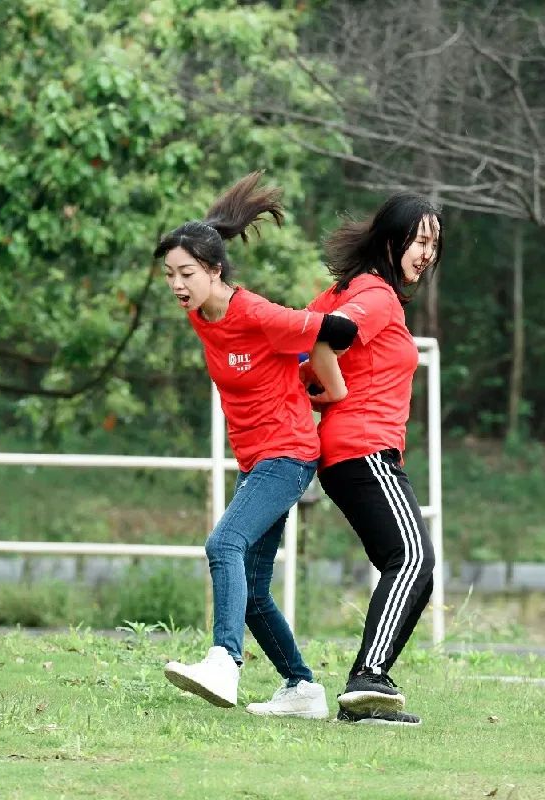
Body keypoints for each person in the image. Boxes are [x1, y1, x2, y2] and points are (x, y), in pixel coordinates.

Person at [155, 172, 358, 718]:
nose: (177, 284)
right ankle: (302, 689)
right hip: (257, 460)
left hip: (288, 454)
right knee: (255, 593)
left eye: (187, 273)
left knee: (224, 546)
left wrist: (329, 390)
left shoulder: (256, 313)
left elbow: (329, 332)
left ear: (215, 271)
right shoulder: (202, 316)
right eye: (170, 274)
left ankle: (224, 661)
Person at [302, 193, 443, 726]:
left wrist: (317, 390)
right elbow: (322, 337)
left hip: (351, 453)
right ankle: (368, 678)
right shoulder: (377, 296)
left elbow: (301, 345)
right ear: (391, 240)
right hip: (365, 450)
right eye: (421, 240)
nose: (428, 253)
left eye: (435, 244)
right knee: (412, 560)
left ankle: (370, 684)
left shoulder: (348, 289)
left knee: (408, 564)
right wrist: (332, 392)